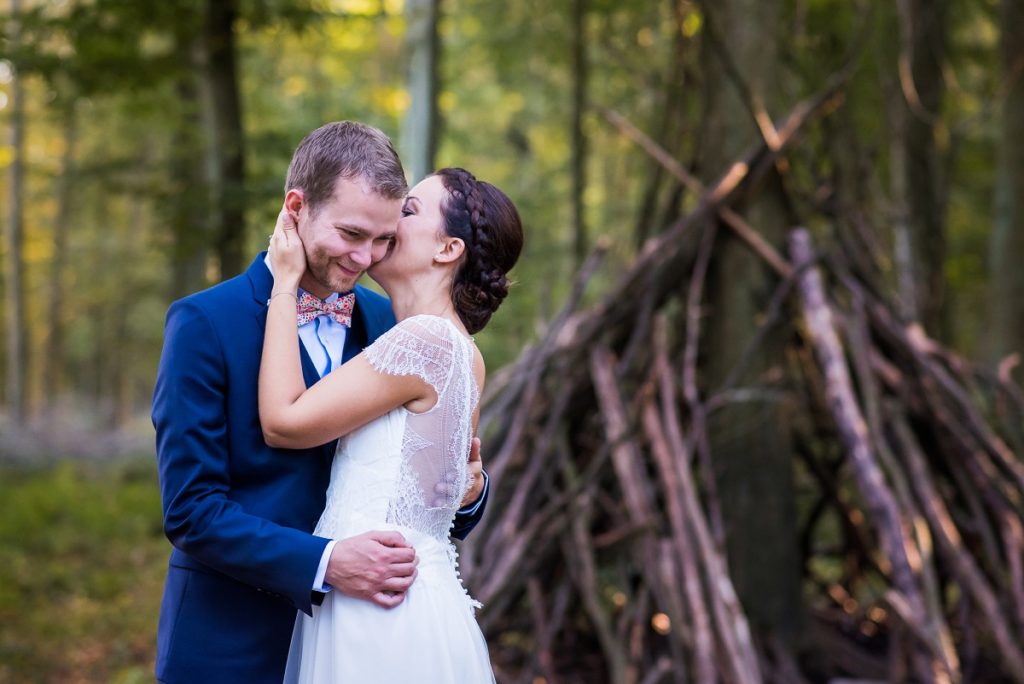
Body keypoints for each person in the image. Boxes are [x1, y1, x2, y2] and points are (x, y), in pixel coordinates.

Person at [151, 122, 490, 684]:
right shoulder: (206, 323)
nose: (366, 257)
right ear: (296, 207)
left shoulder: (392, 328)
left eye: (384, 238)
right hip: (232, 643)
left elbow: (407, 487)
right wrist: (327, 563)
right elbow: (190, 510)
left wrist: (468, 492)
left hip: (364, 641)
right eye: (352, 233)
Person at [259, 166, 523, 683]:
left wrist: (284, 282)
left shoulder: (422, 341)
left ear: (447, 249)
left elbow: (284, 423)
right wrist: (470, 490)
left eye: (408, 209)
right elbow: (440, 490)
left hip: (377, 607)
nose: (390, 215)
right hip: (408, 598)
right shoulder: (462, 350)